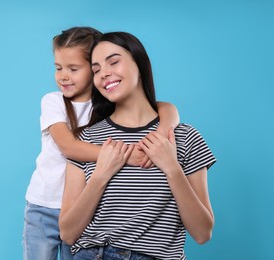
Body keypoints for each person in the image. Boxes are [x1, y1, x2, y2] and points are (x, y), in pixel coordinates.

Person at [23, 27, 180, 260]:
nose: (63, 76)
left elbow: (166, 108)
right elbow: (69, 147)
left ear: (92, 67)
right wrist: (125, 156)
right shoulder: (53, 102)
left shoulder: (106, 104)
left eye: (73, 69)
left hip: (83, 209)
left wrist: (161, 133)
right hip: (44, 205)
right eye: (58, 68)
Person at [59, 31, 217, 260]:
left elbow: (203, 233)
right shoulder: (88, 140)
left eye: (113, 61)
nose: (104, 73)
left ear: (139, 63)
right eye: (96, 69)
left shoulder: (184, 137)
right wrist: (101, 174)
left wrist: (172, 168)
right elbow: (68, 233)